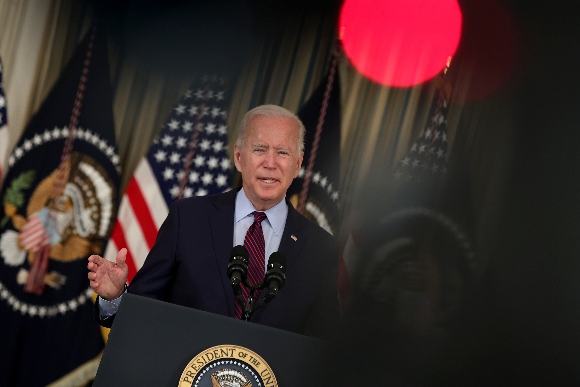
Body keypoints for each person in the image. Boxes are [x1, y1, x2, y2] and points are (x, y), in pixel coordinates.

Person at [87, 104, 339, 338]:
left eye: (282, 152)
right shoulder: (189, 219)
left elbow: (323, 350)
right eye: (259, 150)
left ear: (297, 164)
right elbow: (144, 310)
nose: (270, 163)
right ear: (239, 157)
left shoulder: (320, 248)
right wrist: (116, 297)